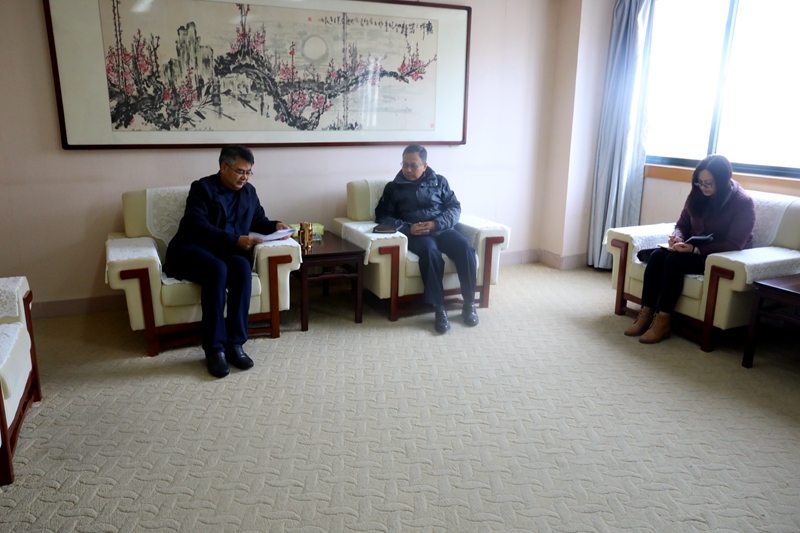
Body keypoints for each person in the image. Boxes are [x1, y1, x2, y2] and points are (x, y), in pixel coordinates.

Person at [164, 145, 291, 378]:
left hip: (225, 251)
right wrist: (235, 240)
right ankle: (214, 349)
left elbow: (258, 219)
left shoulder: (249, 192)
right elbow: (197, 225)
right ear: (224, 167)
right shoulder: (202, 188)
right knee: (217, 269)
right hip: (193, 248)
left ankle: (235, 344)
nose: (245, 177)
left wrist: (275, 226)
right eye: (240, 171)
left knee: (242, 267)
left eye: (249, 172)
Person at [625, 154, 755, 343]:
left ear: (722, 180)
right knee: (657, 256)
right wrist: (678, 238)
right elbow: (682, 224)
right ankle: (645, 313)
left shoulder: (742, 203)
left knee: (673, 261)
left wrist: (694, 250)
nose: (703, 187)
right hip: (691, 248)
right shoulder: (697, 195)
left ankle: (663, 320)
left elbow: (735, 244)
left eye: (708, 183)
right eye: (699, 183)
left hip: (717, 256)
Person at [374, 144, 478, 334]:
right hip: (417, 234)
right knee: (431, 254)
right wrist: (408, 228)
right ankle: (439, 309)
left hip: (442, 229)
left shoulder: (440, 182)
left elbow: (454, 208)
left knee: (465, 248)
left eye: (413, 165)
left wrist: (436, 224)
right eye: (404, 164)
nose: (408, 169)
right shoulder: (393, 187)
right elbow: (382, 216)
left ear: (424, 165)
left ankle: (469, 304)